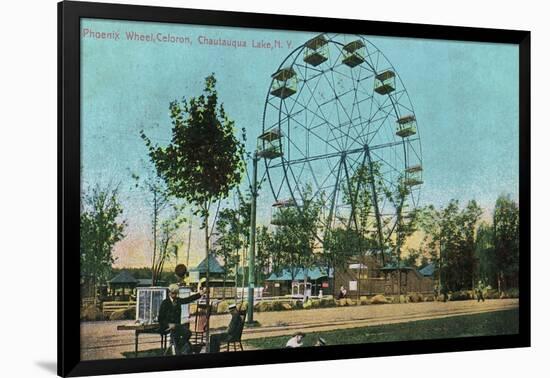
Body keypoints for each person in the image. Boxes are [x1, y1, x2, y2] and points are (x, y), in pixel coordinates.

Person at [158, 284, 204, 355]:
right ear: (169, 293)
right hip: (167, 326)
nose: (174, 295)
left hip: (176, 326)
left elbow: (188, 299)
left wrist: (199, 294)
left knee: (187, 333)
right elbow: (160, 318)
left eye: (176, 293)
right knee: (183, 334)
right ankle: (180, 349)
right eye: (173, 293)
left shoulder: (178, 300)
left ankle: (179, 347)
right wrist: (168, 324)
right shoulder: (165, 302)